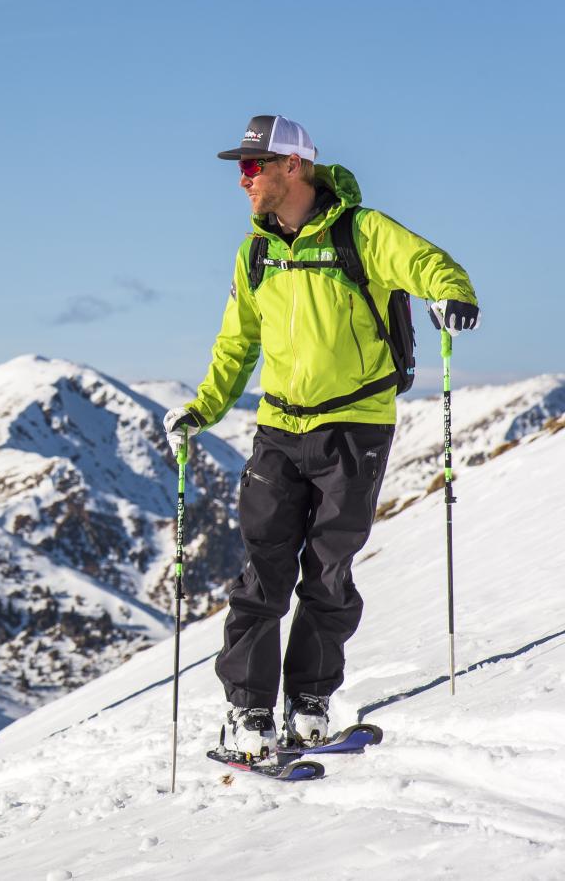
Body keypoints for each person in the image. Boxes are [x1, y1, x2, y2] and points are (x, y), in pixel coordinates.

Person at [164, 114, 479, 757]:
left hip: (355, 428)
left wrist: (453, 295)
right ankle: (249, 711)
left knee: (328, 570)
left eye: (255, 166)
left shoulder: (362, 231)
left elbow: (428, 264)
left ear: (293, 166)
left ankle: (309, 699)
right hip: (279, 428)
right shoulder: (254, 251)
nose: (244, 179)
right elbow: (237, 344)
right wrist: (202, 409)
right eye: (241, 168)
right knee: (263, 572)